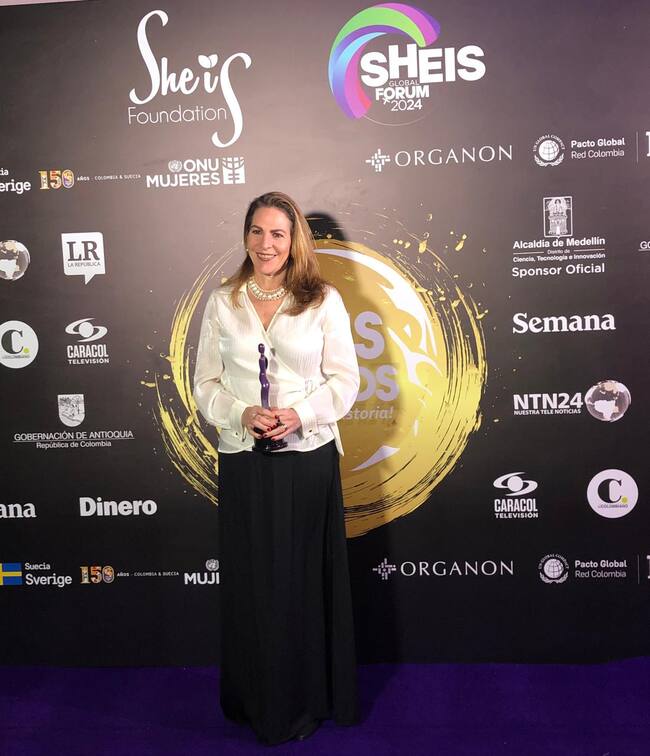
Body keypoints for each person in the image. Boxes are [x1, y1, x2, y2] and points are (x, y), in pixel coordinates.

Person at [193, 191, 360, 745]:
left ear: (294, 242)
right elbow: (204, 384)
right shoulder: (223, 301)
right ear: (246, 236)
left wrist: (300, 415)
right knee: (253, 585)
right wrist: (241, 412)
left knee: (300, 584)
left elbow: (345, 381)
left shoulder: (323, 300)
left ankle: (304, 700)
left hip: (307, 460)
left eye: (278, 234)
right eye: (257, 232)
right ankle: (254, 698)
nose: (267, 244)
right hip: (244, 459)